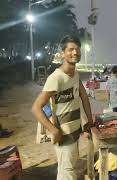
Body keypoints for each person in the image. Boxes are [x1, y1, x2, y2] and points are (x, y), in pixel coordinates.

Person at [31, 35, 94, 180]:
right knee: (68, 172)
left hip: (74, 133)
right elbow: (36, 108)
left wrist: (89, 121)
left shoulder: (75, 74)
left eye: (77, 49)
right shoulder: (56, 78)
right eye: (71, 49)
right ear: (63, 53)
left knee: (67, 169)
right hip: (63, 135)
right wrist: (53, 130)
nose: (75, 53)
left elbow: (84, 97)